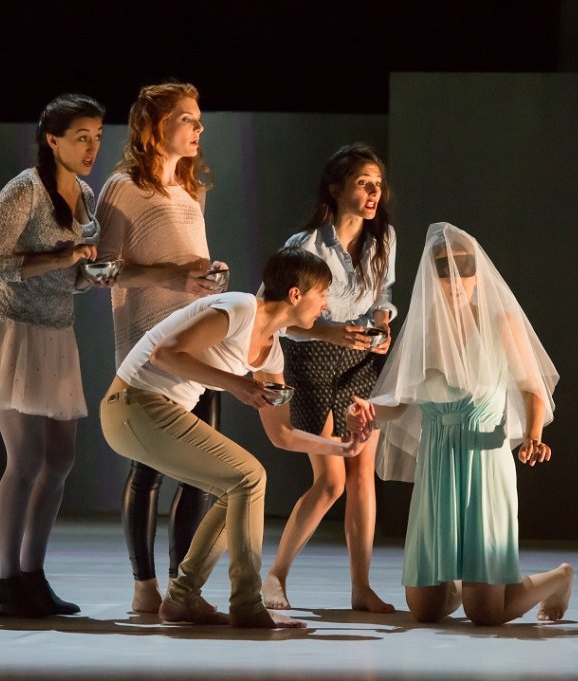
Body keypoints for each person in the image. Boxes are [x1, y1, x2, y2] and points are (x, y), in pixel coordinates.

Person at [100, 247, 359, 628]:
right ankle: (246, 602)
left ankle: (183, 598)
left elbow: (282, 434)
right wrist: (237, 384)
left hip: (154, 411)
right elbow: (165, 355)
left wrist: (342, 446)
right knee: (248, 477)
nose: (324, 305)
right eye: (322, 294)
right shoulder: (239, 308)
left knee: (239, 485)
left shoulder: (271, 355)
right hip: (132, 404)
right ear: (295, 295)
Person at [347, 223, 574, 626]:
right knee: (424, 610)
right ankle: (465, 581)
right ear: (431, 276)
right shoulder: (423, 327)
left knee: (486, 614)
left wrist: (534, 434)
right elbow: (398, 403)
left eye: (464, 271)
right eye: (445, 271)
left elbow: (532, 387)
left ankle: (557, 579)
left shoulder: (498, 321)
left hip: (483, 458)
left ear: (477, 274)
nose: (455, 281)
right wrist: (368, 411)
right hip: (437, 462)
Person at [0, 93, 106, 617]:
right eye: (81, 137)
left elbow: (72, 278)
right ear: (53, 140)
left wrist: (89, 274)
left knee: (60, 459)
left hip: (56, 333)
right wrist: (63, 257)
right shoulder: (25, 189)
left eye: (96, 136)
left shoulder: (85, 194)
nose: (91, 146)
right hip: (14, 331)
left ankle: (33, 575)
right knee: (25, 460)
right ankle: (7, 582)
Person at [95, 81, 225, 614]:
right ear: (156, 126)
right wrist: (174, 276)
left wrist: (207, 279)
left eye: (198, 120)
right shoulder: (123, 188)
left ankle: (180, 586)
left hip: (198, 343)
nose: (198, 128)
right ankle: (143, 586)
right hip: (148, 344)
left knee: (205, 468)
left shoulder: (190, 191)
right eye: (188, 119)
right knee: (148, 467)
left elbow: (192, 263)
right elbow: (103, 270)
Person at [262, 143, 397, 613]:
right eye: (364, 182)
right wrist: (329, 331)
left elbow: (384, 297)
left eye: (378, 183)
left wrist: (381, 327)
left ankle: (361, 588)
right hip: (313, 361)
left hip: (361, 363)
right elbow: (275, 315)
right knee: (331, 482)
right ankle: (274, 576)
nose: (374, 191)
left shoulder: (384, 240)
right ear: (337, 189)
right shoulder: (304, 247)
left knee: (363, 476)